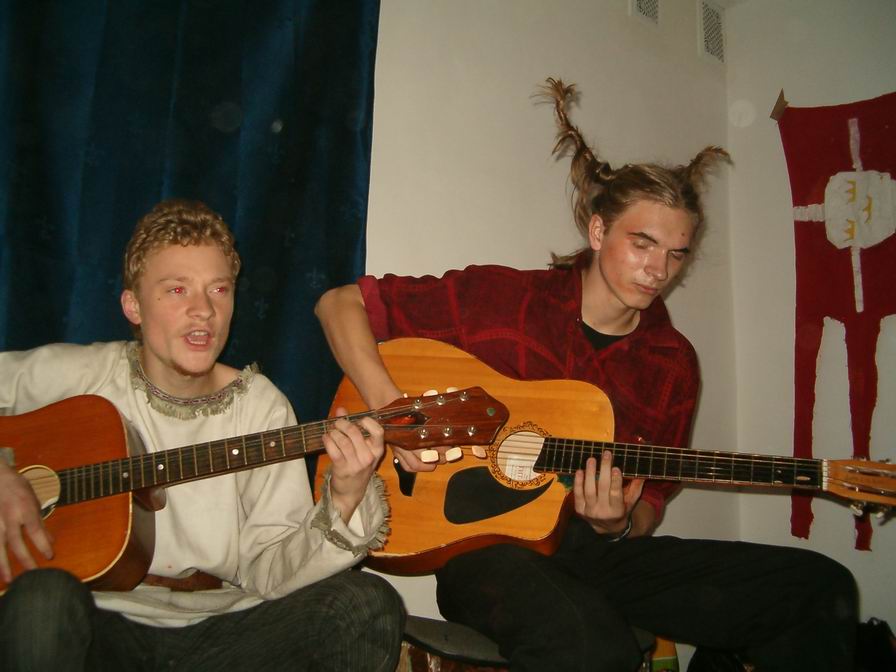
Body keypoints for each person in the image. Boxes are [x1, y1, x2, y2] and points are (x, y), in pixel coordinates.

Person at [314, 79, 859, 671]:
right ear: (598, 232)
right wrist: (398, 412)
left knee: (817, 587)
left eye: (676, 254)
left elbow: (650, 501)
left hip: (597, 555)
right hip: (482, 552)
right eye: (643, 244)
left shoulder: (672, 364)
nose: (659, 270)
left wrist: (619, 523)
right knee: (594, 647)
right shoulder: (503, 299)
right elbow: (339, 304)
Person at [0, 199, 404, 671]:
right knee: (42, 599)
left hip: (221, 630)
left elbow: (270, 571)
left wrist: (344, 500)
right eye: (177, 290)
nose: (204, 311)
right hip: (96, 621)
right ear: (133, 306)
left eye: (219, 290)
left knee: (365, 602)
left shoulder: (260, 406)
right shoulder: (81, 374)